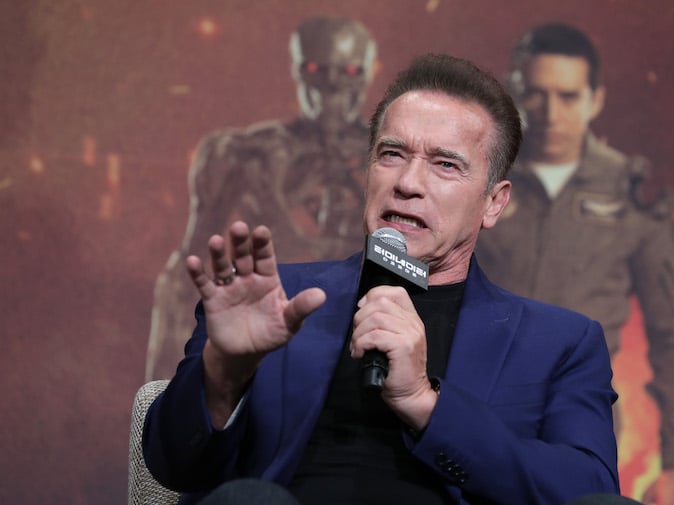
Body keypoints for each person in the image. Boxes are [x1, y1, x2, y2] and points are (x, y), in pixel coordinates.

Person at [143, 54, 620, 504]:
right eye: (392, 154)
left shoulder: (559, 342)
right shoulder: (272, 299)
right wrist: (225, 372)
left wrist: (424, 403)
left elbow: (589, 492)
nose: (407, 183)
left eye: (445, 164)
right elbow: (172, 465)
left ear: (494, 202)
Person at [474, 23, 674, 505]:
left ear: (595, 100)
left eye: (568, 96)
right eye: (535, 94)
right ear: (513, 92)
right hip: (470, 412)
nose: (551, 113)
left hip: (576, 426)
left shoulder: (632, 194)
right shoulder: (472, 176)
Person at [145, 16, 377, 380]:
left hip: (362, 339)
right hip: (267, 334)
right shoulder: (245, 153)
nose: (331, 88)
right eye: (317, 70)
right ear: (299, 70)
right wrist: (164, 393)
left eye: (346, 72)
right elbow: (187, 271)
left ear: (363, 74)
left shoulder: (393, 155)